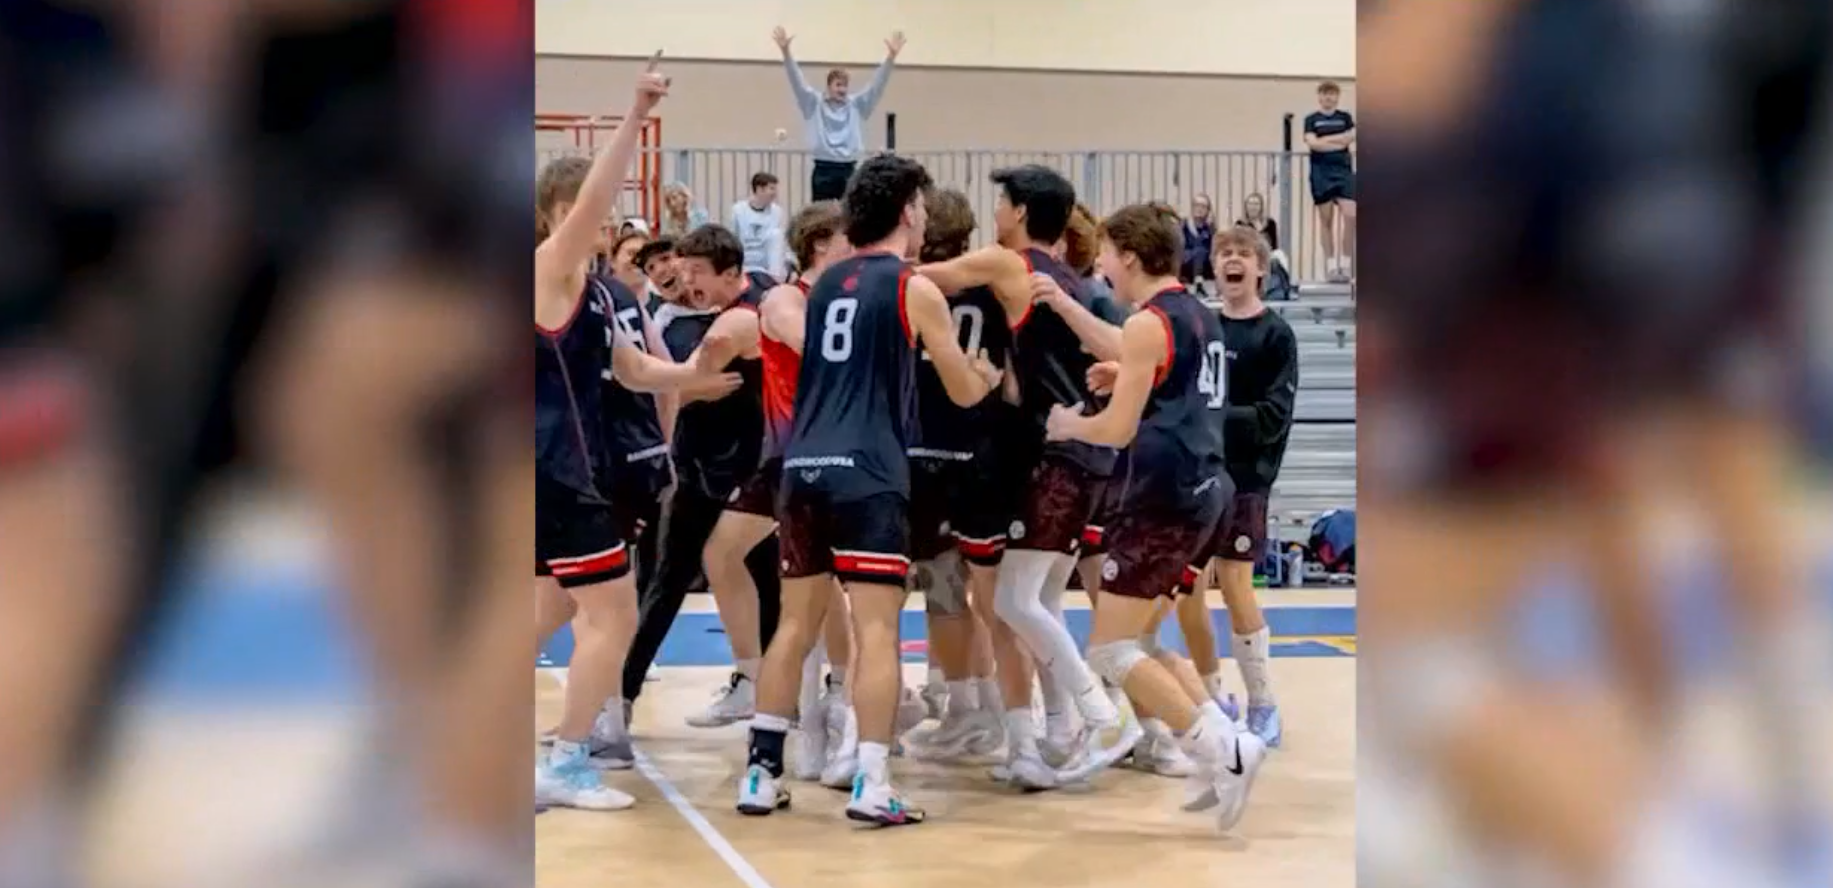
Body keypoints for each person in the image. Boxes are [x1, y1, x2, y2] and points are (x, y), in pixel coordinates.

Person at [736, 153, 999, 825]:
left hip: (801, 469)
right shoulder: (913, 287)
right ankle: (873, 782)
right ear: (909, 210)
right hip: (870, 473)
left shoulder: (824, 286)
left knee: (793, 624)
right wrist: (984, 375)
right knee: (876, 628)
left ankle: (761, 774)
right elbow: (961, 390)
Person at [532, 62, 738, 810]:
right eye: (590, 209)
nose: (605, 219)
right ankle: (564, 758)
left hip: (557, 470)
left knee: (545, 608)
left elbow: (631, 367)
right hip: (555, 469)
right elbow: (590, 202)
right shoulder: (549, 268)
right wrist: (635, 112)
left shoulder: (590, 293)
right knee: (612, 612)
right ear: (557, 212)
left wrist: (693, 376)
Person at [915, 165, 1139, 788]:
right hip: (1086, 453)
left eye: (1002, 202)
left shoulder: (1011, 264)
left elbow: (930, 277)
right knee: (1039, 603)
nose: (996, 212)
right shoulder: (1069, 277)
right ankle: (1061, 729)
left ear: (1018, 211)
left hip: (1054, 454)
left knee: (1012, 602)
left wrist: (864, 270)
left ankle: (1101, 712)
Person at [1047, 201, 1267, 831]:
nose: (1104, 262)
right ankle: (1217, 744)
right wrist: (1128, 371)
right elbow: (1175, 380)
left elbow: (1116, 430)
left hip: (1163, 498)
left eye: (1110, 252)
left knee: (1113, 651)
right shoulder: (1196, 314)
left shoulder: (1149, 322)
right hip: (1205, 489)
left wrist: (1068, 426)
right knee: (1141, 641)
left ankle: (1225, 751)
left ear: (1133, 256)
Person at [703, 200, 855, 781]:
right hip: (792, 457)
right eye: (847, 240)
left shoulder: (842, 296)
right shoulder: (787, 300)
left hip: (831, 458)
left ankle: (833, 705)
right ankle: (763, 683)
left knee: (831, 588)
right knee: (743, 564)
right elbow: (821, 350)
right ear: (821, 245)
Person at [620, 224, 783, 727]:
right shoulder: (663, 321)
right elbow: (655, 387)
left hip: (751, 465)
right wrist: (694, 391)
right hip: (695, 469)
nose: (675, 275)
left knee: (771, 582)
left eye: (682, 265)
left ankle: (768, 689)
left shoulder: (756, 299)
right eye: (654, 270)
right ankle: (621, 698)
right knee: (667, 580)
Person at [900, 189, 1017, 764]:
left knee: (943, 590)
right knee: (984, 593)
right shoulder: (995, 288)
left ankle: (968, 709)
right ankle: (988, 706)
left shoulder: (911, 288)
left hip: (927, 448)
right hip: (983, 450)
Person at [1186, 225, 1298, 749]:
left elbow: (1272, 416)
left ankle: (1263, 701)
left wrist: (1209, 417)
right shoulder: (1202, 325)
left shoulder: (1275, 335)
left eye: (1241, 254)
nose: (1231, 260)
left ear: (1260, 268)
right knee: (1186, 589)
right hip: (1197, 473)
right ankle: (1211, 698)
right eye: (1223, 253)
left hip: (1247, 478)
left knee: (1234, 584)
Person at [772, 25, 905, 202]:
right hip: (823, 168)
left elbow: (876, 87)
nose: (842, 89)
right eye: (838, 85)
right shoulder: (813, 103)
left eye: (845, 85)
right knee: (822, 218)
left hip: (848, 168)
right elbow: (797, 82)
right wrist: (786, 52)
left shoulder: (857, 105)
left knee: (849, 214)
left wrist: (891, 58)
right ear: (829, 86)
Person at [1302, 81, 1356, 282]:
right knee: (1326, 220)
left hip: (1342, 171)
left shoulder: (1345, 117)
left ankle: (1346, 263)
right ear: (1319, 96)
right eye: (1325, 94)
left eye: (1332, 94)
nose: (1328, 98)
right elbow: (1313, 144)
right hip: (1321, 172)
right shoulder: (1311, 119)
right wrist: (1337, 141)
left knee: (1351, 215)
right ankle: (1332, 267)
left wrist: (1325, 142)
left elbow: (1350, 138)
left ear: (1337, 96)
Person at [730, 172, 788, 280]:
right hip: (746, 260)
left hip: (767, 262)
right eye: (771, 189)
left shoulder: (777, 211)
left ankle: (774, 280)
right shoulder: (738, 210)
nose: (775, 193)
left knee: (777, 234)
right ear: (759, 189)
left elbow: (780, 244)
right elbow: (733, 238)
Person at [1180, 194, 1216, 290]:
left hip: (1205, 267)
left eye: (1203, 206)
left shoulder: (1209, 227)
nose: (1199, 209)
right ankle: (1198, 283)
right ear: (1192, 207)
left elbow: (1214, 248)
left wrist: (1210, 229)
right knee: (1199, 251)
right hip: (1186, 263)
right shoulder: (1183, 224)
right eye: (1197, 205)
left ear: (1208, 210)